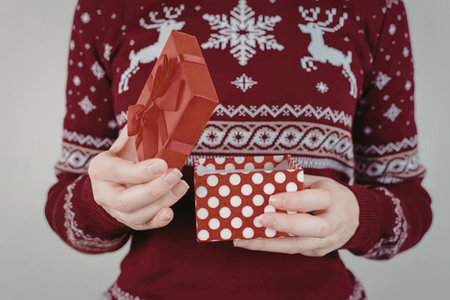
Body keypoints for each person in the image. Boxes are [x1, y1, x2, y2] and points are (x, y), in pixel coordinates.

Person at [45, 0, 433, 299]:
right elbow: (69, 213)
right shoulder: (108, 7)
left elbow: (409, 199)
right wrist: (101, 202)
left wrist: (358, 217)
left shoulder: (374, 8)